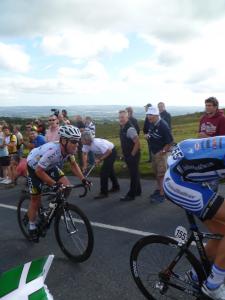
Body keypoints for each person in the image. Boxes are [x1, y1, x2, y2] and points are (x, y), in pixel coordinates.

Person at [164, 136, 225, 299]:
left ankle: (195, 275)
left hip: (190, 177)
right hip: (179, 183)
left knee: (221, 232)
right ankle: (212, 286)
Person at [26, 125, 91, 242]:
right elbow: (39, 171)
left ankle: (53, 207)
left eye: (78, 141)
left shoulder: (69, 150)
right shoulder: (53, 151)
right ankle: (31, 226)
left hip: (49, 166)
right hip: (34, 167)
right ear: (64, 141)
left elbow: (73, 165)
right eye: (74, 141)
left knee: (67, 186)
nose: (76, 144)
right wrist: (54, 184)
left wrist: (83, 179)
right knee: (35, 199)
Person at [81, 131, 120, 199]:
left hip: (111, 152)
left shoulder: (97, 143)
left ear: (87, 140)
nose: (81, 141)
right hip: (104, 153)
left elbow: (109, 151)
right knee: (110, 171)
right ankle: (116, 187)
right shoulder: (86, 144)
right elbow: (84, 154)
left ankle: (104, 193)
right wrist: (85, 165)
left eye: (82, 139)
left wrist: (100, 159)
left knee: (103, 173)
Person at [146, 106, 173, 203]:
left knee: (161, 174)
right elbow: (151, 134)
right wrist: (148, 136)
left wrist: (163, 152)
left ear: (157, 115)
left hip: (161, 153)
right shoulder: (152, 124)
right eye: (148, 114)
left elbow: (170, 141)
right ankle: (159, 190)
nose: (149, 117)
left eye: (151, 115)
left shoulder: (163, 125)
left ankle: (162, 194)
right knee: (157, 173)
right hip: (154, 152)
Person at [119, 110, 141, 201]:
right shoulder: (122, 127)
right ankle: (138, 191)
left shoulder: (130, 129)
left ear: (127, 118)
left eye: (123, 117)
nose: (121, 119)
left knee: (133, 175)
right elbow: (124, 142)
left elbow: (137, 143)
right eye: (120, 117)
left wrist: (132, 156)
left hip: (133, 155)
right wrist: (122, 153)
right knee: (135, 173)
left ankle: (131, 195)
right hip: (128, 154)